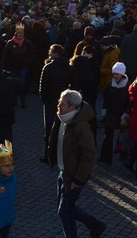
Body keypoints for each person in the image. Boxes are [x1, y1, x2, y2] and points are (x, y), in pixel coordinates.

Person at [45, 89, 106, 238]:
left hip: (72, 176)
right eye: (60, 101)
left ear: (72, 107)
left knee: (64, 212)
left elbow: (88, 154)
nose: (58, 105)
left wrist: (78, 179)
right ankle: (96, 225)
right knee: (68, 209)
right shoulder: (62, 117)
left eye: (63, 103)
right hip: (63, 172)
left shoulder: (80, 126)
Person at [39, 44, 74, 162]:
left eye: (51, 51)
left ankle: (48, 155)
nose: (49, 52)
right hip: (64, 102)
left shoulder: (48, 67)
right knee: (62, 127)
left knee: (49, 129)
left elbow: (43, 86)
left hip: (50, 101)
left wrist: (43, 98)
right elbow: (74, 85)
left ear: (55, 53)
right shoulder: (69, 68)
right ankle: (61, 154)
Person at [99, 62, 129, 164]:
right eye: (114, 73)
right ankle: (105, 157)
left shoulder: (127, 87)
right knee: (107, 137)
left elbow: (129, 103)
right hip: (111, 114)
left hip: (121, 115)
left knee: (123, 137)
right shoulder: (109, 85)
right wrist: (104, 112)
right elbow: (106, 100)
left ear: (122, 74)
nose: (115, 75)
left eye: (118, 74)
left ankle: (123, 155)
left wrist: (125, 115)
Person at [2, 24, 36, 108]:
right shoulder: (10, 43)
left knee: (21, 83)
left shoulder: (27, 42)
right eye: (19, 33)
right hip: (12, 66)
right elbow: (5, 55)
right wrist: (4, 65)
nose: (20, 35)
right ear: (15, 34)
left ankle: (23, 100)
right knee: (13, 84)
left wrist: (28, 61)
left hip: (23, 66)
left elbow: (33, 53)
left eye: (22, 33)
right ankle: (14, 100)